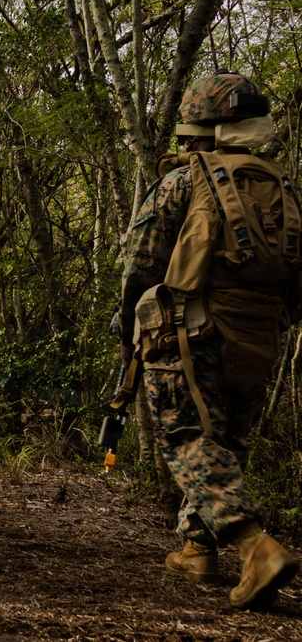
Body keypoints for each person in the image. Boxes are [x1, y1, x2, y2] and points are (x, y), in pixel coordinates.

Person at [118, 70, 299, 608]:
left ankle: (255, 546)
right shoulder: (282, 187)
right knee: (226, 442)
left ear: (204, 131)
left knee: (187, 437)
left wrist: (129, 326)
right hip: (259, 335)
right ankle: (198, 548)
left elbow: (140, 263)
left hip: (189, 333)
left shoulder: (185, 180)